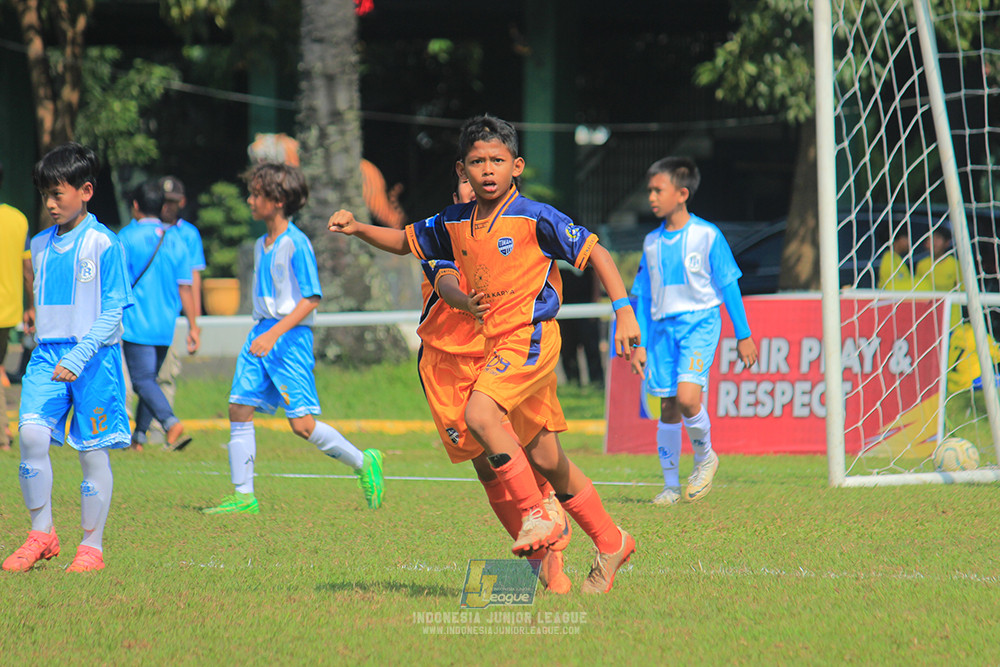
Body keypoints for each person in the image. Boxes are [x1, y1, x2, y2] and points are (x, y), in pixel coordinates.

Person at [329, 114, 640, 594]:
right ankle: (610, 538)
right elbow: (405, 240)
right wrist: (358, 229)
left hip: (529, 338)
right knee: (546, 456)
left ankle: (537, 517)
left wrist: (624, 313)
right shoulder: (455, 222)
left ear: (516, 166)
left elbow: (595, 252)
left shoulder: (534, 217)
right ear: (463, 171)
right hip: (495, 345)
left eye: (497, 160)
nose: (487, 170)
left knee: (480, 413)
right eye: (477, 162)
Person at [416, 174, 571, 594]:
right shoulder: (445, 232)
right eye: (467, 180)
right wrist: (465, 301)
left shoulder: (516, 227)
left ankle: (553, 513)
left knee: (532, 445)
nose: (478, 187)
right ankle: (545, 560)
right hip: (448, 360)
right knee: (485, 466)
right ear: (456, 197)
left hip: (502, 351)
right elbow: (446, 282)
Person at [202, 162, 385, 515]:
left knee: (302, 425)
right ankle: (244, 496)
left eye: (258, 194)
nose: (251, 200)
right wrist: (264, 332)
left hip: (287, 339)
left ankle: (364, 462)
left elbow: (311, 298)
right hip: (262, 334)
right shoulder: (260, 244)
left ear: (279, 200)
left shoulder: (297, 244)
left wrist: (273, 334)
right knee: (238, 406)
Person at [3, 143, 134, 573]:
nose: (51, 203)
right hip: (46, 356)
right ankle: (42, 534)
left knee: (92, 453)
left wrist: (80, 355)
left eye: (58, 193)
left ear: (87, 191)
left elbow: (114, 308)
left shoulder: (104, 243)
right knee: (32, 438)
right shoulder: (39, 246)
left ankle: (91, 548)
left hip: (95, 358)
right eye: (45, 194)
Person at [630, 156, 758, 506]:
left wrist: (743, 334)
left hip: (700, 322)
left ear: (682, 193)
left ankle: (705, 459)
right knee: (669, 406)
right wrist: (638, 342)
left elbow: (729, 284)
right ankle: (671, 486)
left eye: (659, 190)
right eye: (650, 191)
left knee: (688, 398)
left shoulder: (706, 235)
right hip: (660, 331)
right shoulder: (651, 243)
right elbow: (641, 295)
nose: (652, 197)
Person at [118, 181, 200, 452]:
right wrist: (193, 325)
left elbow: (116, 283)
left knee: (142, 380)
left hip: (136, 322)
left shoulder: (127, 237)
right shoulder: (176, 239)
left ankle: (170, 421)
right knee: (149, 380)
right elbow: (186, 287)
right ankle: (139, 438)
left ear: (136, 206)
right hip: (165, 324)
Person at [149, 175, 206, 444]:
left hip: (169, 316)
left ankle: (159, 433)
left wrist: (194, 324)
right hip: (140, 314)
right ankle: (127, 433)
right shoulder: (146, 230)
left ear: (181, 202)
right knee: (132, 377)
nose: (167, 207)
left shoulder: (188, 234)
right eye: (163, 201)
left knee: (165, 374)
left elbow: (192, 281)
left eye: (172, 201)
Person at [0, 160, 32, 451]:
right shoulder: (18, 219)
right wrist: (31, 305)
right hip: (8, 309)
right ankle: (5, 433)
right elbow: (27, 269)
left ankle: (3, 436)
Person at [915, 223, 962, 326]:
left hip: (951, 320)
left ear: (947, 243)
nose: (933, 242)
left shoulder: (955, 265)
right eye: (930, 238)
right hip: (928, 317)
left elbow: (963, 292)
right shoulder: (922, 265)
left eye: (938, 238)